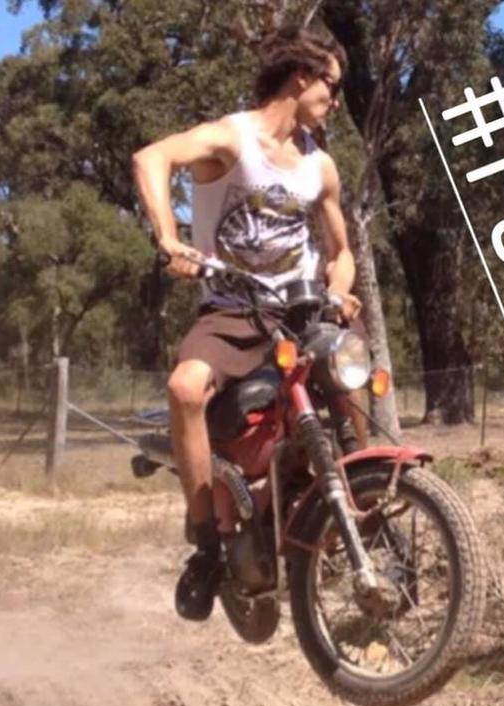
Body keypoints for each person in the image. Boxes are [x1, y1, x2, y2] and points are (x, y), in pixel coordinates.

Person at [132, 26, 362, 621]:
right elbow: (151, 157)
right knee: (185, 388)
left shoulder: (321, 167)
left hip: (301, 311)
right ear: (301, 77)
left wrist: (340, 293)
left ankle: (364, 494)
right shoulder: (233, 140)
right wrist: (168, 236)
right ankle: (207, 540)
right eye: (331, 87)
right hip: (234, 310)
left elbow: (340, 252)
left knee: (352, 369)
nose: (334, 101)